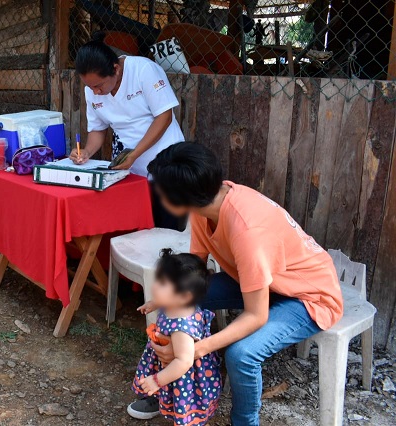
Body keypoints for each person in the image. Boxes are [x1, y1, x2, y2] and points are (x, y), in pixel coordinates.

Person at [127, 142, 344, 425]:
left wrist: (197, 349)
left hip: (306, 295)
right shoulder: (207, 204)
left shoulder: (247, 232)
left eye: (160, 194)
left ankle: (244, 421)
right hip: (259, 280)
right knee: (178, 298)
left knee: (241, 355)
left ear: (180, 200)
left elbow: (257, 315)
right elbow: (192, 271)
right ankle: (169, 386)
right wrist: (166, 297)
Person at [70, 35, 185, 229]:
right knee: (134, 229)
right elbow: (98, 130)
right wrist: (86, 152)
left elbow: (164, 117)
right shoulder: (92, 90)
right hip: (129, 169)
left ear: (116, 69)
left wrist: (134, 154)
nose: (94, 92)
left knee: (167, 229)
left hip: (166, 161)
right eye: (89, 87)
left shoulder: (143, 70)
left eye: (98, 86)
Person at [132, 249, 221, 425]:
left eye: (162, 283)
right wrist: (154, 303)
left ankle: (185, 418)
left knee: (184, 407)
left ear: (184, 296)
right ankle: (163, 401)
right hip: (170, 364)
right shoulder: (178, 302)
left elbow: (183, 361)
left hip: (182, 375)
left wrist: (158, 380)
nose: (155, 285)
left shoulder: (182, 328)